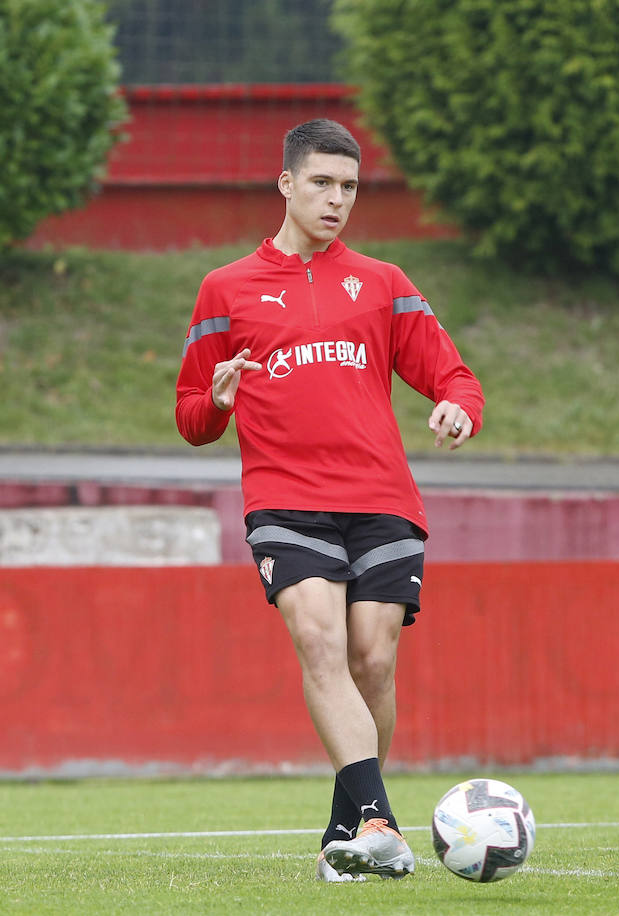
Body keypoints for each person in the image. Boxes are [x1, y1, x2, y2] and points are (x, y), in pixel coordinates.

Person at [175, 118, 484, 882]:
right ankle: (381, 820)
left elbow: (456, 377)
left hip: (382, 497)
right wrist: (215, 402)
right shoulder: (226, 288)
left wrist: (457, 409)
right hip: (285, 500)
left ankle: (344, 832)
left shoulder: (383, 282)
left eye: (348, 187)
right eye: (321, 183)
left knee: (373, 662)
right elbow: (191, 418)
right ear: (286, 184)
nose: (336, 199)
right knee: (320, 642)